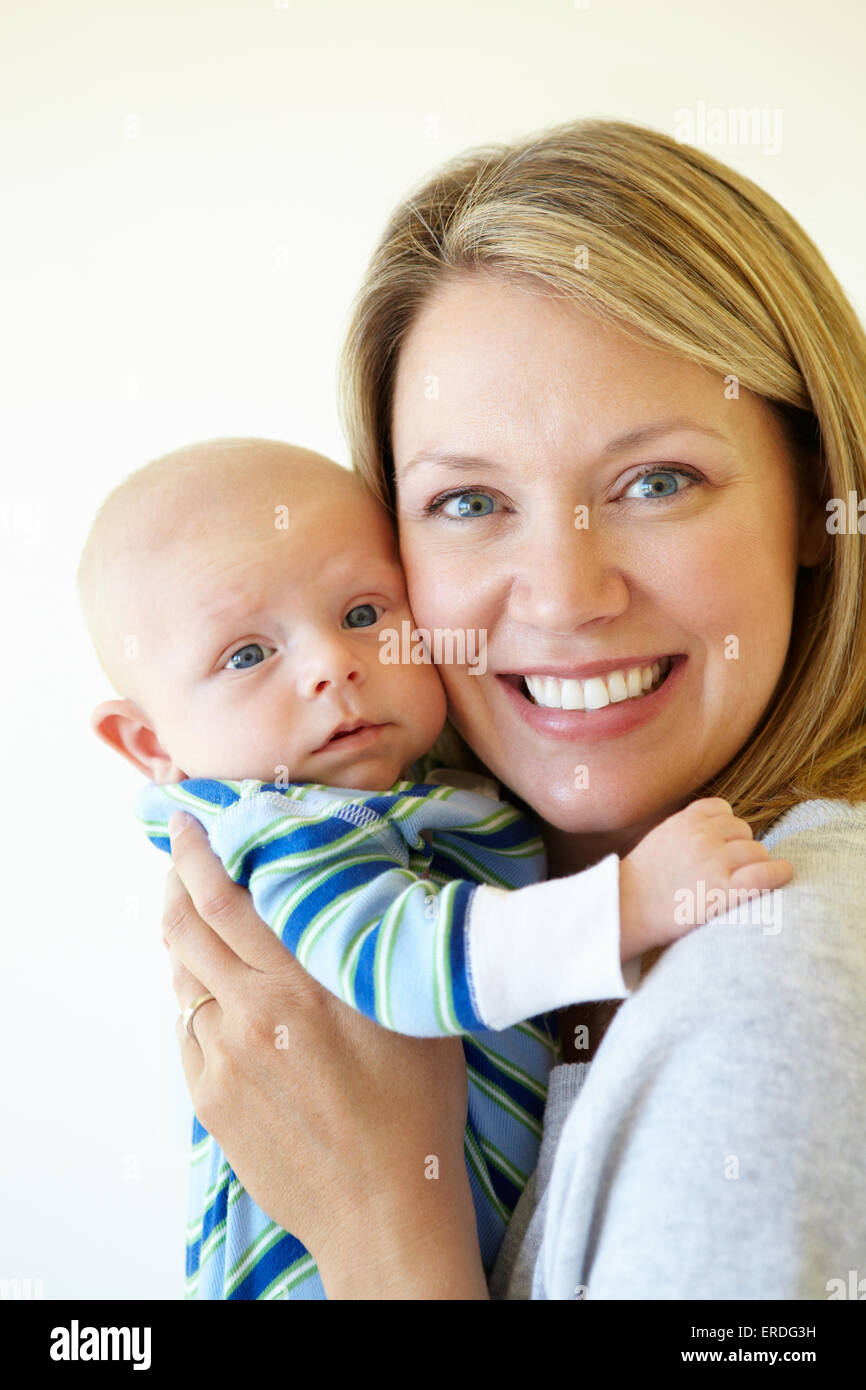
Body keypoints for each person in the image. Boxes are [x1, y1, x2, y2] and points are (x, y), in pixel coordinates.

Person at [158, 118, 866, 1298]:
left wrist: (382, 1222)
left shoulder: (774, 974)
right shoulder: (433, 894)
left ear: (813, 500)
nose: (562, 596)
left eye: (655, 481)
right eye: (469, 500)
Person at [78, 437, 784, 1298]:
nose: (331, 665)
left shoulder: (415, 793)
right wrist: (629, 904)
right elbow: (403, 965)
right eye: (247, 656)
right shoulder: (281, 830)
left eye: (365, 614)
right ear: (149, 742)